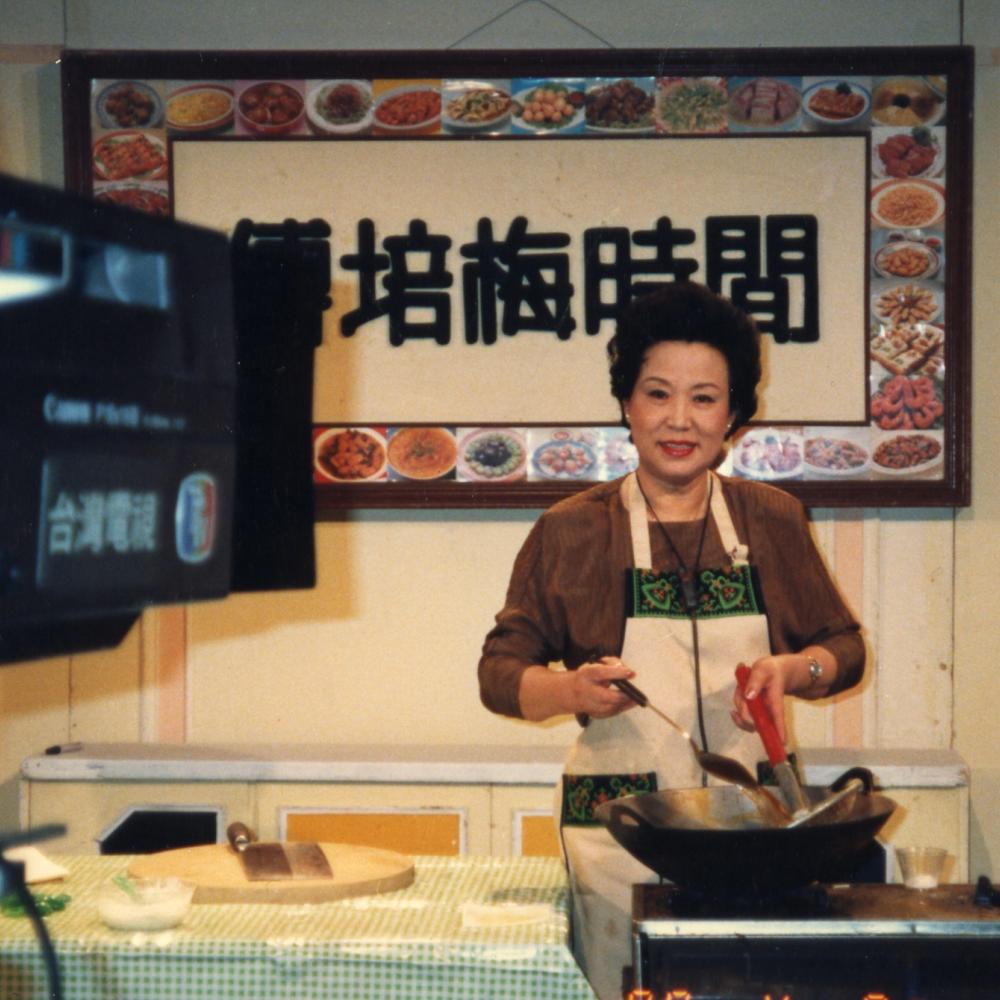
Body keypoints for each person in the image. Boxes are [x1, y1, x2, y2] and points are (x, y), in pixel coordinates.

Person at [478, 281, 865, 1000]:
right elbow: (500, 674)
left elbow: (844, 647)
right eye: (658, 394)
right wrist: (569, 690)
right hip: (619, 841)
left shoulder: (772, 519)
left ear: (734, 414)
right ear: (627, 404)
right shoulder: (572, 529)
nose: (679, 419)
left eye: (704, 398)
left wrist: (795, 669)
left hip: (752, 837)